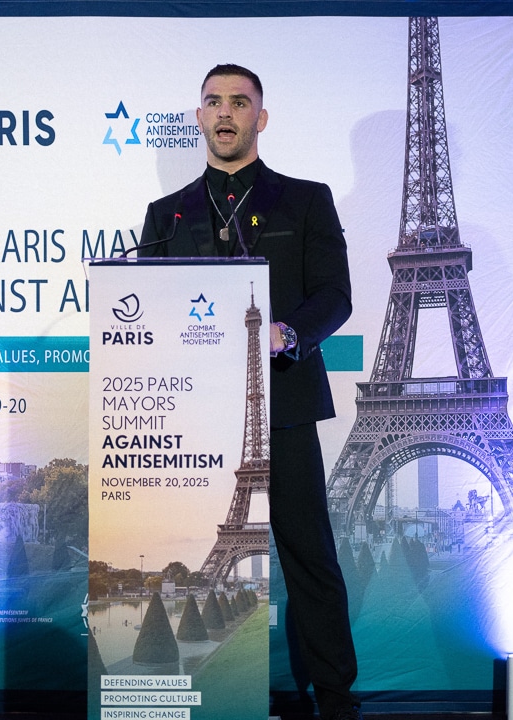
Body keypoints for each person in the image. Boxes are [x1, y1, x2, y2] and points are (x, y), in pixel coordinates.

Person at [138, 64, 362, 720]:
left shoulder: (308, 200)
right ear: (200, 117)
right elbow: (146, 309)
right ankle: (175, 692)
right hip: (194, 418)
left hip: (286, 407)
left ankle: (336, 700)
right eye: (214, 102)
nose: (226, 112)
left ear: (261, 118)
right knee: (183, 556)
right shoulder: (164, 214)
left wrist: (291, 332)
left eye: (240, 102)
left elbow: (336, 296)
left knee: (310, 562)